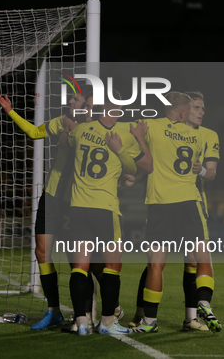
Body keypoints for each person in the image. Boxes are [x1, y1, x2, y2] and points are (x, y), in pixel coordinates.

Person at [126, 91, 221, 334]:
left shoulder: (153, 127)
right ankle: (203, 302)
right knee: (203, 258)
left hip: (161, 203)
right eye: (193, 108)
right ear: (183, 112)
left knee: (156, 264)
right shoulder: (197, 138)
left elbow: (149, 160)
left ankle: (150, 321)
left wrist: (138, 140)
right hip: (189, 202)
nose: (197, 112)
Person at [0, 88, 87, 330]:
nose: (70, 101)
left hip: (76, 200)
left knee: (76, 259)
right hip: (52, 196)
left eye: (76, 99)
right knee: (42, 252)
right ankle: (54, 310)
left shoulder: (92, 128)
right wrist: (11, 111)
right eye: (72, 98)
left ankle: (83, 314)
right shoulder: (61, 122)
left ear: (88, 105)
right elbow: (35, 132)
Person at [66, 95, 150, 336]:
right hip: (105, 208)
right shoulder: (124, 133)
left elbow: (67, 138)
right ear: (120, 107)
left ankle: (82, 322)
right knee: (113, 267)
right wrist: (128, 148)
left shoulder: (81, 130)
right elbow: (143, 167)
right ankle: (107, 323)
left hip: (78, 206)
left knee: (80, 268)